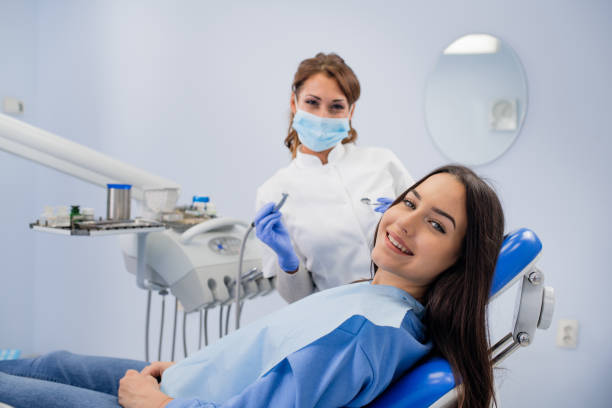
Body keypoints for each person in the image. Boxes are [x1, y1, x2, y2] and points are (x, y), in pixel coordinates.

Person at [0, 165, 503, 408]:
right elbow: (277, 360)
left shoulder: (362, 333)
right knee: (51, 363)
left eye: (437, 225)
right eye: (408, 201)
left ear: (463, 260)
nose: (405, 222)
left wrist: (159, 405)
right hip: (184, 384)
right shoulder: (376, 299)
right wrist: (195, 368)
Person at [255, 52, 414, 303]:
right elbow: (298, 298)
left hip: (412, 305)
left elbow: (429, 238)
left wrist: (411, 222)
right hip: (341, 321)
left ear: (350, 112)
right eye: (312, 103)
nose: (322, 116)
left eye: (336, 106)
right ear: (294, 104)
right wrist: (287, 259)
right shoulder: (274, 192)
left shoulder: (383, 162)